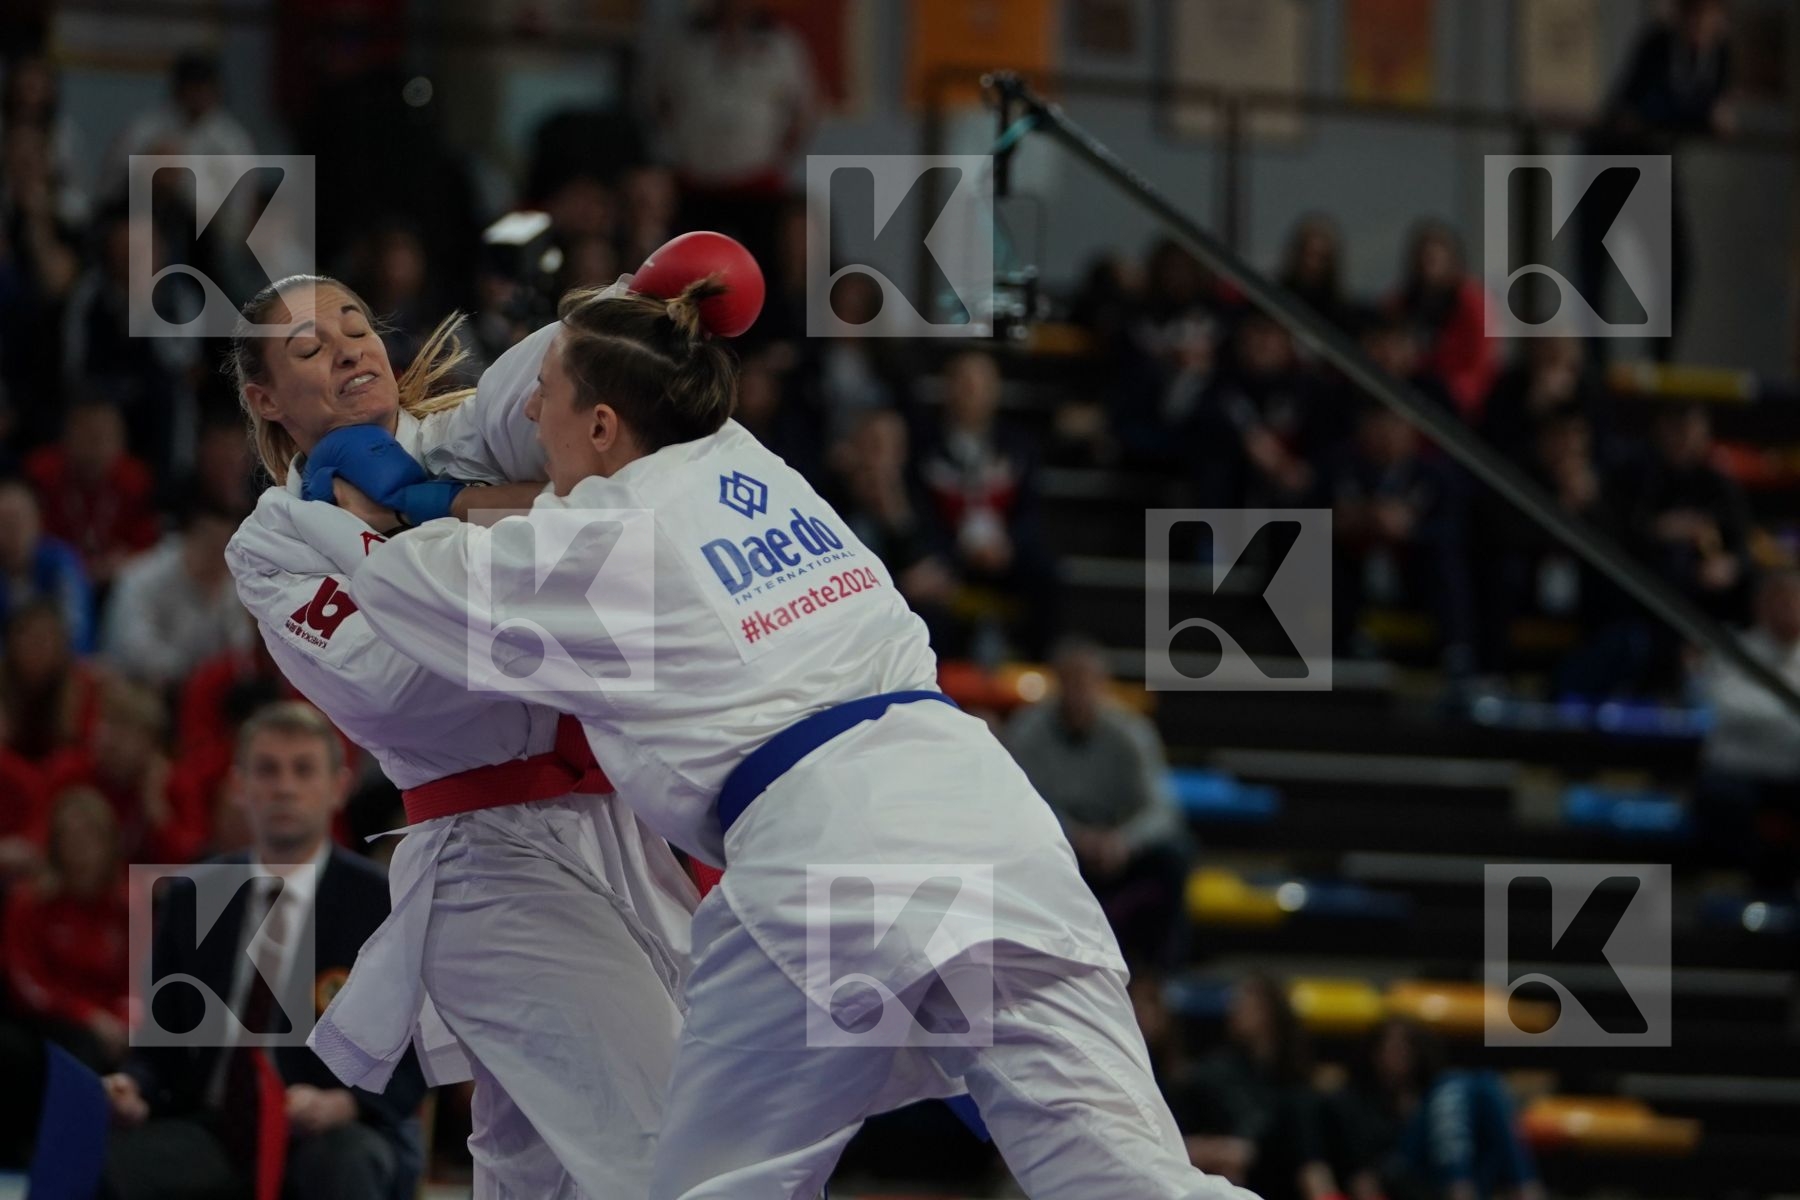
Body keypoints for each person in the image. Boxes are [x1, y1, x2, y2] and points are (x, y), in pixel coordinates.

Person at [323, 277, 1260, 1200]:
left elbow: (415, 592)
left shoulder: (605, 539)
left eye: (547, 395)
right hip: (992, 823)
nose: (527, 407)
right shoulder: (751, 463)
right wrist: (454, 498)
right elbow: (581, 487)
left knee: (713, 1188)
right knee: (1126, 1178)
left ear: (603, 426)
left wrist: (370, 513)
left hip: (834, 859)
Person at [223, 273, 700, 1196]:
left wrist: (643, 290)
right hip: (491, 862)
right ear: (264, 398)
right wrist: (494, 541)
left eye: (357, 327)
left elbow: (569, 362)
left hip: (624, 833)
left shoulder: (459, 442)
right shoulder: (278, 539)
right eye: (311, 350)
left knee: (540, 1172)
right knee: (675, 1139)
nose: (351, 348)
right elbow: (396, 688)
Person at [101, 702, 429, 1200]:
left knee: (348, 1168)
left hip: (330, 1129)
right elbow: (157, 1045)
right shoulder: (192, 895)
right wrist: (134, 1088)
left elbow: (416, 1047)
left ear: (338, 787)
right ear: (239, 786)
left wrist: (346, 1104)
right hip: (212, 1128)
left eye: (303, 770)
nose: (285, 787)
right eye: (268, 770)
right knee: (105, 1164)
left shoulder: (380, 902)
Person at [1003, 636, 1189, 974]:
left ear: (1103, 686)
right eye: (1070, 681)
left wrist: (1124, 841)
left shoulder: (1132, 733)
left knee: (1176, 854)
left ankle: (1163, 971)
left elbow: (1162, 809)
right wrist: (1074, 836)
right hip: (1056, 844)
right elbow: (1014, 802)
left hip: (1117, 845)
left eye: (1087, 682)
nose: (1079, 693)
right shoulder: (1027, 732)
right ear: (1057, 683)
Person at [1582, 0, 1734, 357]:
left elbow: (1709, 110)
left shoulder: (1720, 55)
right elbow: (1641, 109)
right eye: (1691, 15)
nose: (1697, 25)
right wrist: (1699, 117)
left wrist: (1694, 117)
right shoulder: (1657, 44)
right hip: (1612, 163)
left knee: (1676, 268)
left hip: (1655, 167)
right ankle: (1597, 363)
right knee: (1595, 268)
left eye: (1706, 16)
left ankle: (1659, 361)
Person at [1324, 1018, 1542, 1200]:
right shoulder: (1352, 1100)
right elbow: (1363, 1176)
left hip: (1445, 1176)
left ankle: (1521, 1186)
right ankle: (1507, 1188)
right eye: (1390, 1046)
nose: (1398, 1055)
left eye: (1406, 1047)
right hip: (1399, 1178)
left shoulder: (1427, 1094)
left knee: (1486, 1086)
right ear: (1373, 1052)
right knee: (1455, 1087)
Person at [1165, 975, 1334, 1200]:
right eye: (1236, 1003)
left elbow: (1311, 1161)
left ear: (1272, 1013)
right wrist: (1224, 1150)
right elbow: (1176, 1143)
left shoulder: (1296, 1083)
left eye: (1248, 1003)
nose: (1236, 1009)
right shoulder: (1210, 1074)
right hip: (1225, 1186)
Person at [3, 786, 130, 1072]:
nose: (80, 850)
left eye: (90, 839)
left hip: (112, 1024)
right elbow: (27, 984)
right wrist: (88, 1016)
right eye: (70, 839)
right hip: (46, 1022)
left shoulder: (126, 907)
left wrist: (124, 1022)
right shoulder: (30, 901)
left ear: (110, 845)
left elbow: (138, 982)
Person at [1694, 570, 1800, 888]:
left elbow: (1750, 709)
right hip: (1739, 773)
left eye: (1796, 601)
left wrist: (1766, 709)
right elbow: (1729, 707)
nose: (1790, 608)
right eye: (1781, 601)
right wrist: (1788, 713)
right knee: (1720, 796)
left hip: (1793, 776)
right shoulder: (1733, 648)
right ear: (1761, 606)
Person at [100, 492, 254, 692]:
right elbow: (133, 650)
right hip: (139, 686)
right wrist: (194, 672)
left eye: (224, 548)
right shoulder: (141, 578)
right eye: (211, 547)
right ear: (188, 538)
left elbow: (242, 653)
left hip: (205, 690)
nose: (218, 559)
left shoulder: (234, 584)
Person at [1386, 222, 1495, 423]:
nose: (1427, 267)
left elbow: (1481, 361)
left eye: (1434, 260)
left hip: (1457, 400)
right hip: (1410, 392)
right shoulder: (1400, 303)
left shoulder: (1472, 303)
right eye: (1422, 260)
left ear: (1451, 261)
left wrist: (1458, 393)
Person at [0, 474, 92, 652]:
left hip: (58, 666)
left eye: (20, 519)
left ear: (38, 520)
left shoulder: (62, 562)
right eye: (4, 522)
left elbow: (78, 628)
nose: (14, 530)